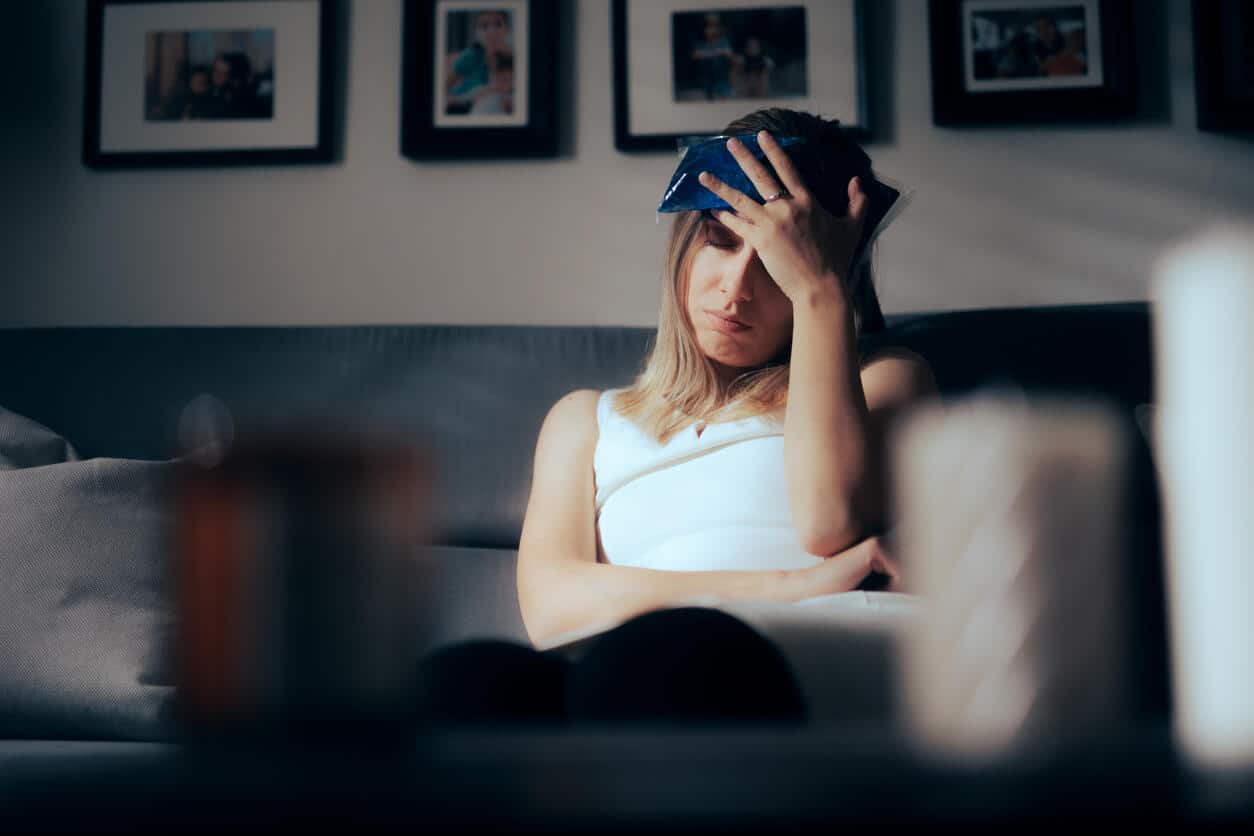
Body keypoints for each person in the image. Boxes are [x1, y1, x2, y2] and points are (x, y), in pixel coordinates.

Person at [418, 109, 937, 725]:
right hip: (636, 665)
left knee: (660, 658)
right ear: (685, 242)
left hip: (811, 648)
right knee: (464, 682)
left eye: (778, 262)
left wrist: (820, 293)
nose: (737, 288)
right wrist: (791, 585)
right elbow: (553, 609)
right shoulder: (584, 419)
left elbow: (831, 524)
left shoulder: (886, 380)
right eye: (722, 240)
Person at [445, 10, 512, 114]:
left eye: (498, 24)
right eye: (484, 26)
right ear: (476, 33)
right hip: (462, 104)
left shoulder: (515, 58)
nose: (492, 31)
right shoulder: (472, 55)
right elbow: (444, 85)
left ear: (508, 29)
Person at [691, 13, 736, 100]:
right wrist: (716, 52)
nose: (712, 30)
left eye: (715, 27)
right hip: (706, 79)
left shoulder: (724, 42)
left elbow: (729, 55)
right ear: (704, 29)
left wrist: (712, 53)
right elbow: (695, 55)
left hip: (722, 79)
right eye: (709, 27)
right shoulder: (700, 44)